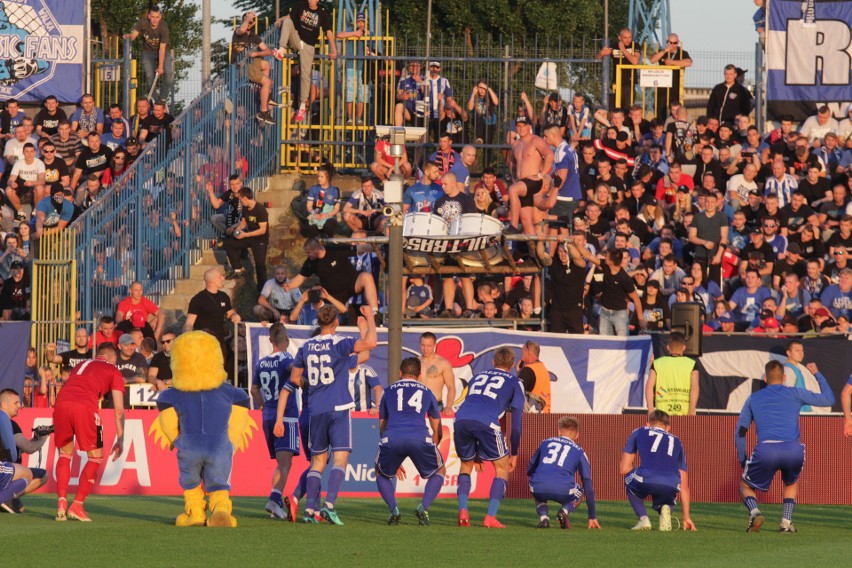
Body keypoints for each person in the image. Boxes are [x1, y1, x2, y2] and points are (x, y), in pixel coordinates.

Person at [273, 304, 377, 525]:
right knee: (340, 459)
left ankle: (309, 510)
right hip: (338, 408)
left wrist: (310, 382)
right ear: (336, 322)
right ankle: (329, 506)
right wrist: (368, 320)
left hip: (316, 410)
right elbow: (370, 345)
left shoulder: (306, 347)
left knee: (317, 462)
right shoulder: (340, 344)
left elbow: (293, 379)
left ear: (318, 323)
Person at [736, 359, 835, 533]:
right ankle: (786, 522)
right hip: (793, 450)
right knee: (791, 482)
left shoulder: (753, 398)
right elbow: (829, 399)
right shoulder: (795, 393)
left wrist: (743, 459)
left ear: (766, 379)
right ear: (784, 377)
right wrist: (817, 374)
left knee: (745, 485)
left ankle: (754, 512)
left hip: (766, 450)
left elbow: (741, 431)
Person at [53, 343, 126, 521]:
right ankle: (77, 505)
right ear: (113, 358)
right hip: (84, 406)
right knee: (95, 457)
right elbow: (119, 410)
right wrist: (121, 438)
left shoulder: (81, 364)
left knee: (64, 454)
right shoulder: (114, 371)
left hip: (61, 403)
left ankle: (62, 502)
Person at [454, 346, 525, 528]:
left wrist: (477, 453)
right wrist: (514, 453)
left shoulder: (478, 376)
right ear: (513, 364)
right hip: (487, 422)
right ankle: (490, 517)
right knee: (501, 468)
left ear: (493, 362)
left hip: (460, 419)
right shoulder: (515, 382)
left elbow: (473, 407)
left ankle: (463, 510)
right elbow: (516, 425)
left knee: (465, 465)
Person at [375, 357, 446, 526]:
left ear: (400, 373)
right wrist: (432, 445)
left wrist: (391, 453)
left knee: (380, 472)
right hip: (419, 437)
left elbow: (382, 424)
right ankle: (423, 507)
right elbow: (437, 427)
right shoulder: (427, 392)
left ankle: (394, 510)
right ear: (419, 374)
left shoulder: (388, 390)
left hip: (391, 437)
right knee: (440, 471)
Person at [251, 323, 299, 521]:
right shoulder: (287, 359)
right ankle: (273, 499)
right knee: (286, 463)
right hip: (285, 417)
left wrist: (262, 406)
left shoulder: (261, 363)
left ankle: (276, 502)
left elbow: (254, 390)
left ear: (271, 340)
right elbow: (293, 371)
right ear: (286, 340)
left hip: (267, 416)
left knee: (280, 462)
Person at [621, 409, 697, 531]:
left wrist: (638, 470)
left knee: (629, 479)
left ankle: (643, 519)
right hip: (671, 483)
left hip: (647, 477)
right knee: (669, 491)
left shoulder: (639, 431)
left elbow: (624, 468)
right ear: (668, 428)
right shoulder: (677, 441)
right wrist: (686, 517)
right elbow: (684, 486)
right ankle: (665, 508)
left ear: (648, 424)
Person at [527, 416, 600, 529]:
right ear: (577, 435)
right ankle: (564, 511)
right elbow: (587, 482)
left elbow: (530, 466)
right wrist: (592, 516)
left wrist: (534, 477)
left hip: (539, 486)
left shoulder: (545, 442)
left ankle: (544, 518)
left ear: (559, 431)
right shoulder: (579, 451)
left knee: (537, 484)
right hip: (563, 489)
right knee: (580, 491)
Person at [274, 0, 338, 123]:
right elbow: (289, 17)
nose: (310, 1)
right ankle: (281, 50)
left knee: (305, 75)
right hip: (297, 40)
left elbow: (328, 32)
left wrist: (334, 50)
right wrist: (280, 20)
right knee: (287, 22)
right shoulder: (301, 5)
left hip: (309, 46)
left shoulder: (321, 13)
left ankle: (302, 105)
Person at [286, 238, 380, 318]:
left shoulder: (335, 249)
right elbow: (300, 278)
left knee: (367, 277)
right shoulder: (310, 263)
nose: (308, 255)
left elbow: (360, 248)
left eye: (308, 253)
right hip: (335, 295)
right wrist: (288, 286)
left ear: (316, 249)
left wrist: (378, 247)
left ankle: (374, 313)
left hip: (352, 283)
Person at [0, 389, 48, 513]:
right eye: (16, 403)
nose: (20, 406)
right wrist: (44, 437)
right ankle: (6, 497)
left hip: (5, 469)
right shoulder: (7, 422)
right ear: (4, 404)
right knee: (31, 474)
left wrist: (35, 439)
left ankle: (8, 497)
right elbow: (28, 448)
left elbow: (16, 449)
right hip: (3, 470)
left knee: (20, 507)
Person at [229, 11, 277, 125]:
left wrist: (255, 54)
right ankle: (263, 111)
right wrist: (248, 18)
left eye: (252, 21)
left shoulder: (254, 36)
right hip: (240, 66)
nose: (250, 22)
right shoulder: (238, 32)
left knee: (266, 65)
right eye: (247, 20)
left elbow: (267, 51)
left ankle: (266, 94)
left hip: (250, 63)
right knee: (267, 82)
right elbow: (241, 29)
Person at [184, 267, 242, 355]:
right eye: (219, 277)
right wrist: (187, 340)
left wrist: (235, 315)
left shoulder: (224, 296)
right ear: (212, 281)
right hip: (204, 340)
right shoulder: (198, 299)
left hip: (220, 339)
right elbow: (189, 322)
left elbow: (230, 312)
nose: (223, 278)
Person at [222, 187, 269, 289]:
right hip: (248, 236)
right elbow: (244, 222)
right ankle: (238, 269)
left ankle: (263, 290)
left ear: (244, 198)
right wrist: (236, 231)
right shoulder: (245, 208)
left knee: (260, 265)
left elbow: (262, 230)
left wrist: (245, 235)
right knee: (228, 243)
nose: (239, 201)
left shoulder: (260, 210)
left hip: (260, 240)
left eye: (240, 199)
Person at [126, 5, 173, 103]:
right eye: (152, 17)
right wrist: (129, 36)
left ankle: (163, 97)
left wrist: (160, 67)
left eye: (157, 17)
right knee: (149, 76)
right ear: (149, 16)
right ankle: (155, 99)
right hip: (147, 52)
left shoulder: (163, 27)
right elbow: (134, 34)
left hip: (162, 51)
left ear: (160, 17)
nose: (155, 20)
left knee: (168, 72)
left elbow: (162, 48)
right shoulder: (142, 23)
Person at [645, 332, 698, 416]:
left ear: (667, 347)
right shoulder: (691, 364)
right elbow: (695, 387)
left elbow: (649, 386)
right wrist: (692, 410)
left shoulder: (657, 363)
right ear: (684, 347)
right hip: (685, 412)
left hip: (662, 414)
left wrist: (650, 409)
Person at [598, 248, 646, 336]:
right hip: (605, 311)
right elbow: (589, 256)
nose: (605, 257)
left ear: (611, 261)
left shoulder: (624, 278)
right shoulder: (606, 267)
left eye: (607, 256)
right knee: (605, 342)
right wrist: (574, 244)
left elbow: (636, 298)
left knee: (623, 341)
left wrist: (640, 319)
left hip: (619, 313)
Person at [649, 34, 692, 120]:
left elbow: (688, 62)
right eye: (670, 42)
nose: (672, 45)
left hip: (675, 88)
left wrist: (672, 62)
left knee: (676, 113)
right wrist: (664, 51)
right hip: (662, 89)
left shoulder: (682, 53)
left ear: (678, 42)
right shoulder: (661, 51)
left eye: (674, 43)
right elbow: (652, 60)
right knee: (660, 113)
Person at [417, 332, 456, 416]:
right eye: (423, 345)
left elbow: (451, 387)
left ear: (435, 345)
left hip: (435, 405)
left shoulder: (443, 363)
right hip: (416, 405)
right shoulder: (415, 362)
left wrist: (449, 406)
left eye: (429, 346)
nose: (425, 349)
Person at [518, 341, 551, 413]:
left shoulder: (528, 370)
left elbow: (517, 392)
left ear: (528, 352)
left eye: (523, 350)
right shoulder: (543, 369)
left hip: (531, 415)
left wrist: (519, 373)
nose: (521, 353)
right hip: (545, 413)